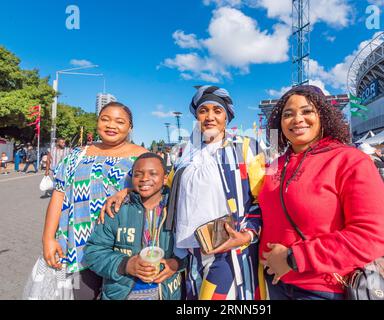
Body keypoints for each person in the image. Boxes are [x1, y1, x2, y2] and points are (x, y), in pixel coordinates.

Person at [102, 85, 266, 300]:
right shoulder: (183, 151)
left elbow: (264, 200)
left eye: (217, 111)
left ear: (227, 117)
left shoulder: (245, 148)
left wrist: (246, 235)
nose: (209, 117)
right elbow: (165, 190)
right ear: (196, 115)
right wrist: (127, 191)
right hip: (189, 252)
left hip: (229, 251)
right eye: (203, 110)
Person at [259, 85, 384, 300]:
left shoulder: (349, 160)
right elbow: (262, 214)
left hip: (323, 288)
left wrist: (295, 257)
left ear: (323, 116)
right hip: (275, 283)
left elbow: (371, 235)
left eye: (307, 111)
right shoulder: (275, 165)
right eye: (288, 114)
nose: (297, 119)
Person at [40, 102, 147, 300]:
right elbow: (59, 194)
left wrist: (129, 190)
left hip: (122, 248)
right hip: (78, 248)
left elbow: (158, 191)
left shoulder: (142, 156)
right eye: (105, 119)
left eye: (119, 121)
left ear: (130, 127)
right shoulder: (77, 155)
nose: (111, 125)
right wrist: (48, 238)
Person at [85, 153, 185, 300]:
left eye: (153, 173)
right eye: (138, 174)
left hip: (167, 292)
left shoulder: (178, 209)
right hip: (122, 293)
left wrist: (177, 263)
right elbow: (93, 252)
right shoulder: (117, 210)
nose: (145, 178)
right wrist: (125, 264)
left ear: (165, 178)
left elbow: (192, 249)